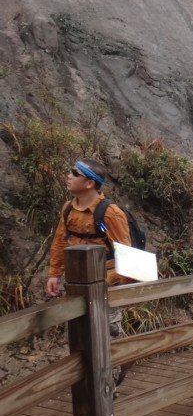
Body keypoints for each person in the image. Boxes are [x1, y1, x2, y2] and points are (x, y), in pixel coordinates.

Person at [46, 160, 133, 386]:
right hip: (77, 283)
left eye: (74, 173)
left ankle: (109, 385)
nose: (68, 176)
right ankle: (92, 382)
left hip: (107, 284)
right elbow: (60, 241)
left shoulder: (110, 213)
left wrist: (122, 288)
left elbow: (126, 252)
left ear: (89, 183)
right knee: (82, 334)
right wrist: (54, 274)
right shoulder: (68, 208)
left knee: (107, 333)